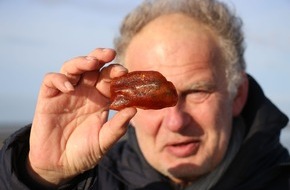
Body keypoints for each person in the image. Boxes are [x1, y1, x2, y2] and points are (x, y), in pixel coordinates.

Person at [1, 0, 290, 189]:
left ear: (237, 95)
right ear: (123, 101)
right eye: (153, 100)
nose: (176, 121)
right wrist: (42, 177)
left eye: (198, 91)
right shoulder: (88, 181)